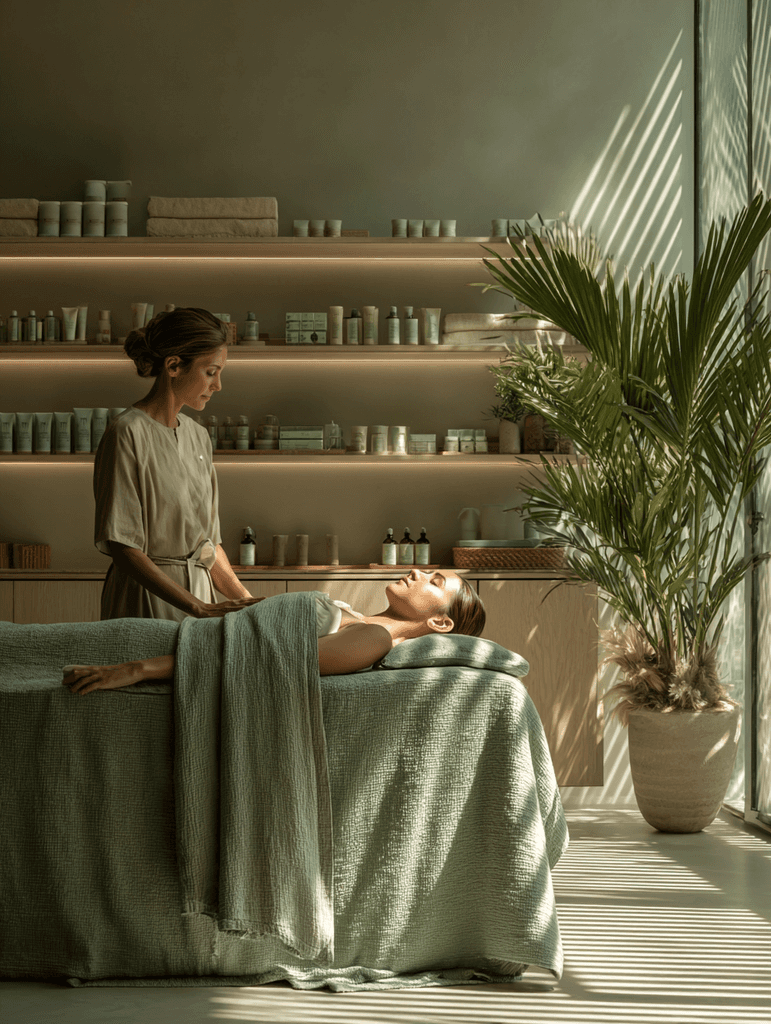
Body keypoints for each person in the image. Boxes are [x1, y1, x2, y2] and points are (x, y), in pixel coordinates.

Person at [63, 567, 486, 693]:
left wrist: (139, 669)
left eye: (435, 580)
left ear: (441, 623)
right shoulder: (360, 621)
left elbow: (269, 659)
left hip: (173, 651)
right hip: (175, 635)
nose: (417, 570)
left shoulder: (374, 639)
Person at [94, 307, 260, 622]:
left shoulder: (198, 437)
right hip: (144, 598)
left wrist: (250, 604)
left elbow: (209, 547)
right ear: (173, 366)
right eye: (211, 372)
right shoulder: (127, 432)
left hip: (201, 598)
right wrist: (196, 606)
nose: (218, 385)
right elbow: (122, 545)